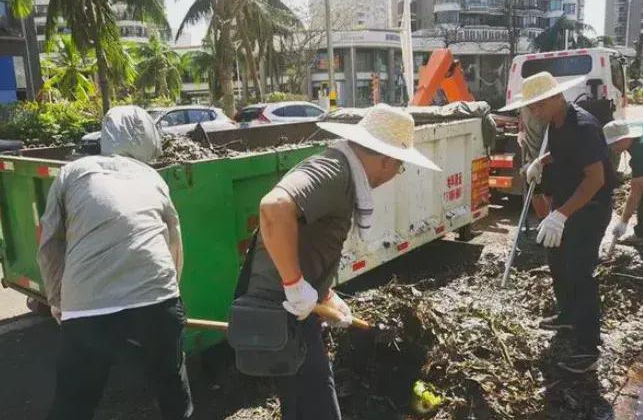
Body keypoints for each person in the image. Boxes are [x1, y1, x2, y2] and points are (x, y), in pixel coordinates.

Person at [241, 104, 440, 419]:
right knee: (318, 408)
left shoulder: (345, 175)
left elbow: (311, 241)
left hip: (298, 309)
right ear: (387, 160)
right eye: (399, 167)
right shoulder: (334, 171)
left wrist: (325, 295)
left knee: (303, 407)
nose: (394, 175)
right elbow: (274, 208)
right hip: (286, 310)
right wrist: (294, 285)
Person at [38, 106, 193, 420]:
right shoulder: (153, 178)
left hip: (87, 308)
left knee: (73, 403)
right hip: (156, 300)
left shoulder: (73, 171)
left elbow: (50, 242)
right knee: (172, 393)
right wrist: (170, 299)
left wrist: (57, 300)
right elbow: (173, 243)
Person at [500, 72, 616, 374]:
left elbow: (595, 179)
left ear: (555, 97)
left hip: (589, 208)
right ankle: (567, 314)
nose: (535, 112)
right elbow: (562, 152)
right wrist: (542, 162)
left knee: (580, 272)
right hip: (566, 205)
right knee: (557, 259)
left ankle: (588, 346)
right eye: (531, 107)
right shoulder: (557, 122)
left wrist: (562, 214)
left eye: (538, 106)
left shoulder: (585, 127)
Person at [603, 120, 643, 245]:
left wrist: (624, 221)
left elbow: (635, 192)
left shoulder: (639, 154)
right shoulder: (636, 133)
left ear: (622, 139)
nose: (611, 148)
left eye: (613, 144)